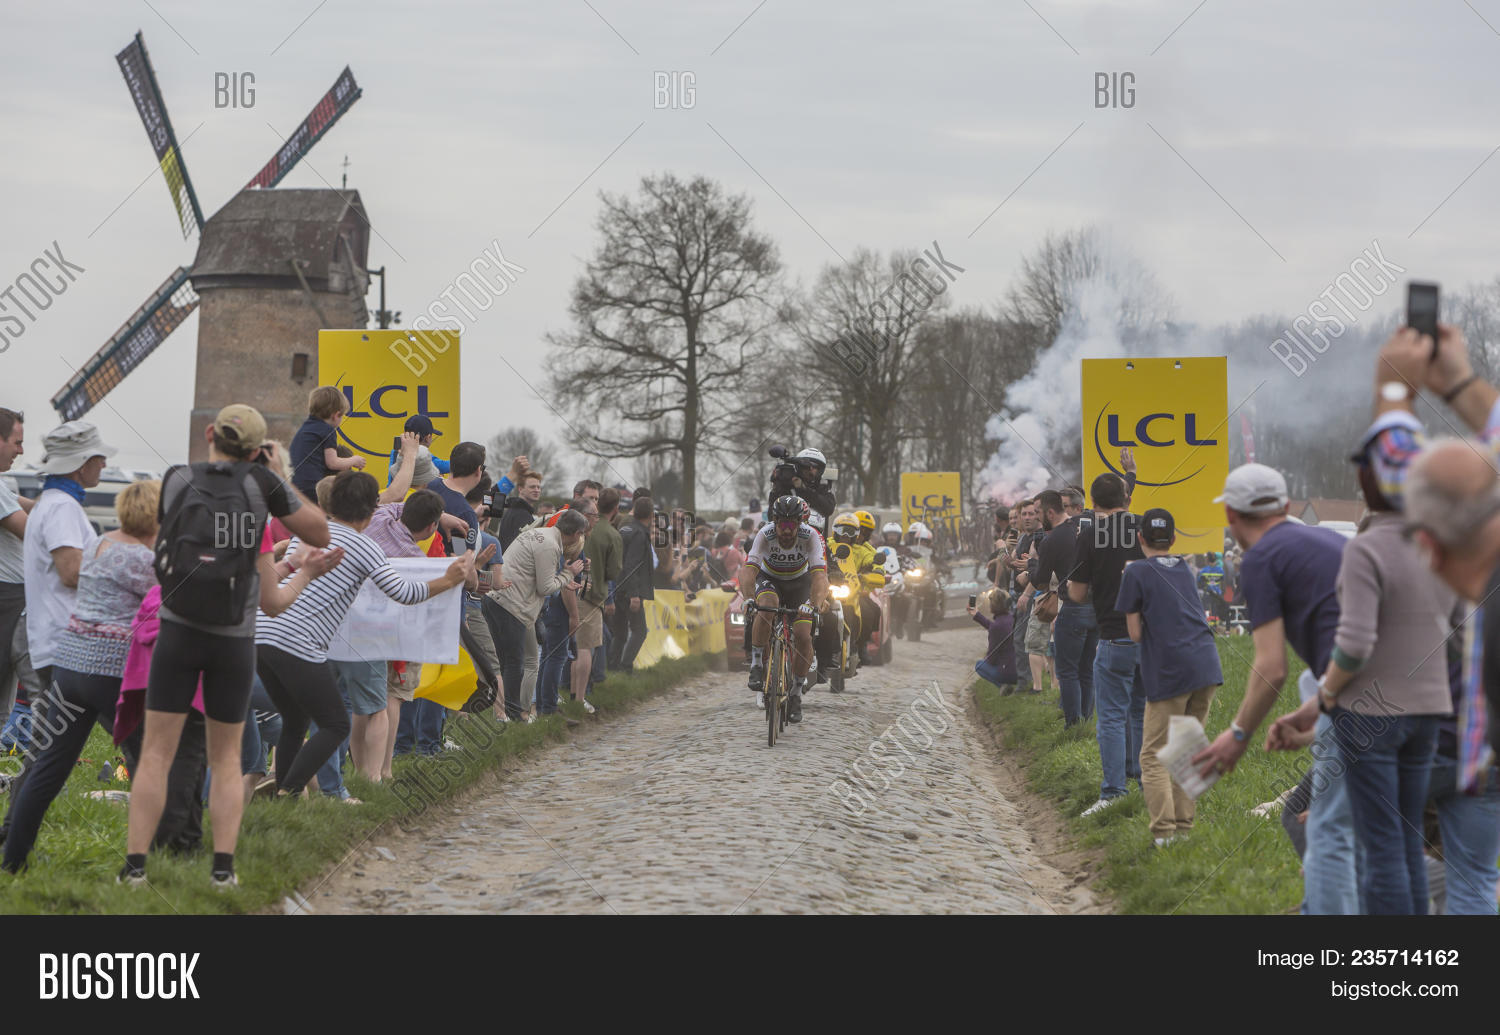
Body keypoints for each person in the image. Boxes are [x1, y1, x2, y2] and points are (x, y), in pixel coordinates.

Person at [123, 405, 337, 888]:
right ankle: (223, 869)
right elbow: (320, 531)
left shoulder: (176, 477)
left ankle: (134, 867)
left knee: (156, 753)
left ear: (209, 434)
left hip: (177, 629)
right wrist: (277, 477)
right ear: (259, 450)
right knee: (225, 759)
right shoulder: (262, 485)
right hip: (233, 638)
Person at [1265, 409, 1454, 914]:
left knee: (1384, 845)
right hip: (1430, 709)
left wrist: (1326, 695)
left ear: (1370, 478)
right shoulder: (1437, 546)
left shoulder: (1367, 548)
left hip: (1371, 714)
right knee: (1410, 842)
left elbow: (1354, 642)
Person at [256, 471, 484, 799]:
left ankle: (283, 789)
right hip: (298, 641)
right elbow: (404, 592)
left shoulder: (305, 535)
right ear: (370, 509)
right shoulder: (363, 546)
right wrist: (448, 579)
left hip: (263, 631)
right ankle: (290, 786)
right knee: (334, 723)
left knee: (296, 717)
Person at [1191, 462, 1354, 914]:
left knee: (1326, 829)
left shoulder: (1261, 558)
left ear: (1231, 517)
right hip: (1413, 700)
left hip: (1359, 708)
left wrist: (1237, 735)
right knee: (1368, 831)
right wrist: (1316, 717)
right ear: (1285, 506)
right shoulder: (1332, 541)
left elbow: (1270, 667)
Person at [0, 481, 159, 872]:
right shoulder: (144, 559)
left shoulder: (100, 545)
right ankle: (145, 860)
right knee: (148, 758)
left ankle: (12, 859)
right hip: (110, 671)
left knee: (49, 765)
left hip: (69, 664)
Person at [1117, 508, 1223, 847]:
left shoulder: (1135, 572)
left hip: (1170, 667)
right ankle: (1183, 829)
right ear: (1174, 540)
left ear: (1140, 539)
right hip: (1206, 664)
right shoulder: (1185, 568)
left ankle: (1163, 833)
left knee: (1153, 754)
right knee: (1186, 748)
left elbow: (1134, 634)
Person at [1070, 471, 1144, 814]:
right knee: (1142, 711)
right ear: (1126, 497)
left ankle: (1114, 791)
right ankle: (1144, 781)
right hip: (1151, 635)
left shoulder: (1089, 534)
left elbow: (1078, 592)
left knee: (1112, 715)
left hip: (1113, 633)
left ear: (1093, 503)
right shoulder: (1145, 525)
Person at [485, 511, 588, 721]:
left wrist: (562, 579)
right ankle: (513, 716)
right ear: (577, 534)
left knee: (505, 663)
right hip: (510, 605)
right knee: (514, 664)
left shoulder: (540, 533)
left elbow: (535, 575)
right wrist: (568, 573)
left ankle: (503, 714)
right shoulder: (551, 546)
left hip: (497, 600)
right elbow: (545, 587)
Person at [739, 495, 830, 723]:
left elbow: (820, 576)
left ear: (800, 523)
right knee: (767, 607)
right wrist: (749, 598)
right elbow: (749, 570)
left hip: (800, 584)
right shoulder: (765, 534)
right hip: (771, 580)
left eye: (792, 524)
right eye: (782, 523)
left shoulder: (811, 536)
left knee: (803, 635)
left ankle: (796, 693)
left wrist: (815, 604)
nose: (786, 530)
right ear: (775, 521)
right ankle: (757, 664)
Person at [1032, 489, 1095, 727]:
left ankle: (1073, 724)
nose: (1039, 518)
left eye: (1039, 513)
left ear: (1050, 511)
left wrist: (1031, 563)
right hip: (1096, 605)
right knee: (1087, 669)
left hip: (1073, 607)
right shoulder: (1085, 529)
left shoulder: (1051, 540)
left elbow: (1041, 581)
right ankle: (1087, 720)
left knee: (1067, 671)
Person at [0, 407, 35, 729]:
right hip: (7, 600)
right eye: (17, 441)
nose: (21, 450)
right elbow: (33, 531)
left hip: (12, 599)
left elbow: (31, 508)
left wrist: (60, 501)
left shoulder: (2, 486)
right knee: (42, 693)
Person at [572, 488, 621, 712]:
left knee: (571, 647)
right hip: (591, 595)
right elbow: (613, 571)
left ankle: (572, 694)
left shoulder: (575, 530)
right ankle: (580, 698)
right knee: (585, 647)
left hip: (570, 591)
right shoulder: (611, 534)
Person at [289, 385, 365, 497]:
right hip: (313, 487)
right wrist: (354, 460)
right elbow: (332, 463)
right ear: (336, 415)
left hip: (295, 486)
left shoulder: (305, 427)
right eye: (342, 416)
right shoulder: (327, 430)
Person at [608, 496, 655, 674]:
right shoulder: (640, 533)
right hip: (629, 591)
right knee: (640, 631)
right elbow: (632, 564)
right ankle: (625, 666)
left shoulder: (625, 529)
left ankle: (612, 668)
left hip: (618, 586)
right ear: (651, 514)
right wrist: (634, 594)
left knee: (620, 633)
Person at [968, 587, 1016, 693]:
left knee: (979, 665)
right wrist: (977, 615)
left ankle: (1003, 686)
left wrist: (986, 659)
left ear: (993, 605)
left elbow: (992, 656)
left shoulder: (997, 626)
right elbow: (994, 627)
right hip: (1021, 669)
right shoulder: (1013, 618)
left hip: (1007, 672)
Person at [384, 414, 449, 489]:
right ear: (428, 438)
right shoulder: (421, 456)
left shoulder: (396, 451)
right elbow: (449, 466)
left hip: (392, 495)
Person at [498, 470, 543, 551]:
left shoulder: (514, 509)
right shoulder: (521, 514)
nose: (537, 490)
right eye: (532, 487)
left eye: (538, 487)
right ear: (520, 489)